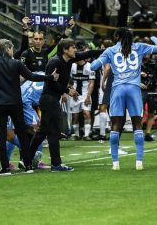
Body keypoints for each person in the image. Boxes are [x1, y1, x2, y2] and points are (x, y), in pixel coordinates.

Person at [90, 27, 157, 171]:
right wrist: (154, 36)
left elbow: (93, 66)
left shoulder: (110, 50)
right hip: (134, 89)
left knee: (115, 126)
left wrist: (103, 57)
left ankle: (115, 163)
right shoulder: (139, 47)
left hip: (117, 89)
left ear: (117, 37)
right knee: (137, 125)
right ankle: (139, 162)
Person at [0, 39, 58, 175]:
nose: (12, 50)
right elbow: (32, 76)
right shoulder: (16, 63)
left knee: (1, 136)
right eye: (11, 48)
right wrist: (49, 77)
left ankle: (5, 167)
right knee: (22, 134)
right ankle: (28, 165)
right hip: (15, 103)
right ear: (8, 49)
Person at [29, 38, 103, 172]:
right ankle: (56, 165)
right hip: (49, 100)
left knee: (42, 132)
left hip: (51, 100)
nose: (75, 50)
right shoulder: (55, 62)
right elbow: (50, 83)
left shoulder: (69, 59)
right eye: (73, 47)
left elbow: (88, 53)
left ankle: (26, 159)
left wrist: (109, 51)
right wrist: (68, 90)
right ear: (65, 50)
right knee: (53, 133)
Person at [69, 49, 95, 140]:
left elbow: (92, 83)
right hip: (74, 94)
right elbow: (68, 80)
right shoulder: (72, 66)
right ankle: (76, 135)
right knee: (75, 116)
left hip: (85, 94)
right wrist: (72, 90)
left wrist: (88, 96)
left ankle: (86, 135)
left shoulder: (90, 66)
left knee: (87, 113)